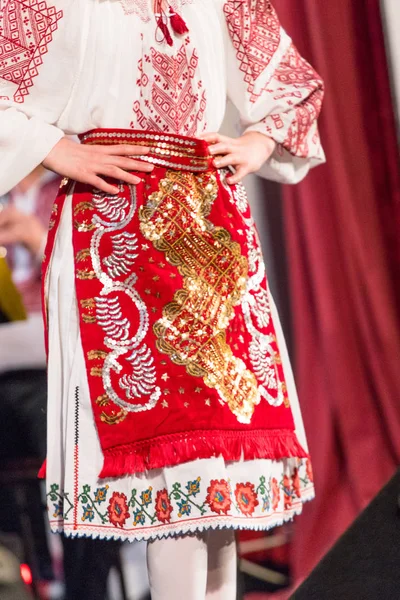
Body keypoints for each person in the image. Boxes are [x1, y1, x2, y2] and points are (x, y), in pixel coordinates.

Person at [0, 1, 325, 598]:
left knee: (221, 484)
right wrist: (53, 148)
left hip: (209, 223)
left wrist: (258, 142)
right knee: (173, 482)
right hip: (116, 225)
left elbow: (293, 88)